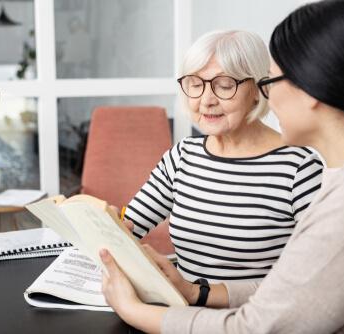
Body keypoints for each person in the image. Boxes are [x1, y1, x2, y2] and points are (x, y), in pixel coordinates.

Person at [99, 0, 344, 332]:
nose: (207, 99)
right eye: (195, 83)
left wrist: (130, 308)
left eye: (270, 81)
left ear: (310, 86)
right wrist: (195, 291)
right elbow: (291, 293)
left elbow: (257, 326)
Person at [123, 30, 323, 284]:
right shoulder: (182, 157)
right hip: (184, 314)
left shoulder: (299, 168)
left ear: (258, 88)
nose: (206, 100)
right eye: (195, 84)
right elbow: (128, 226)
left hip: (253, 318)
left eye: (225, 86)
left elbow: (316, 277)